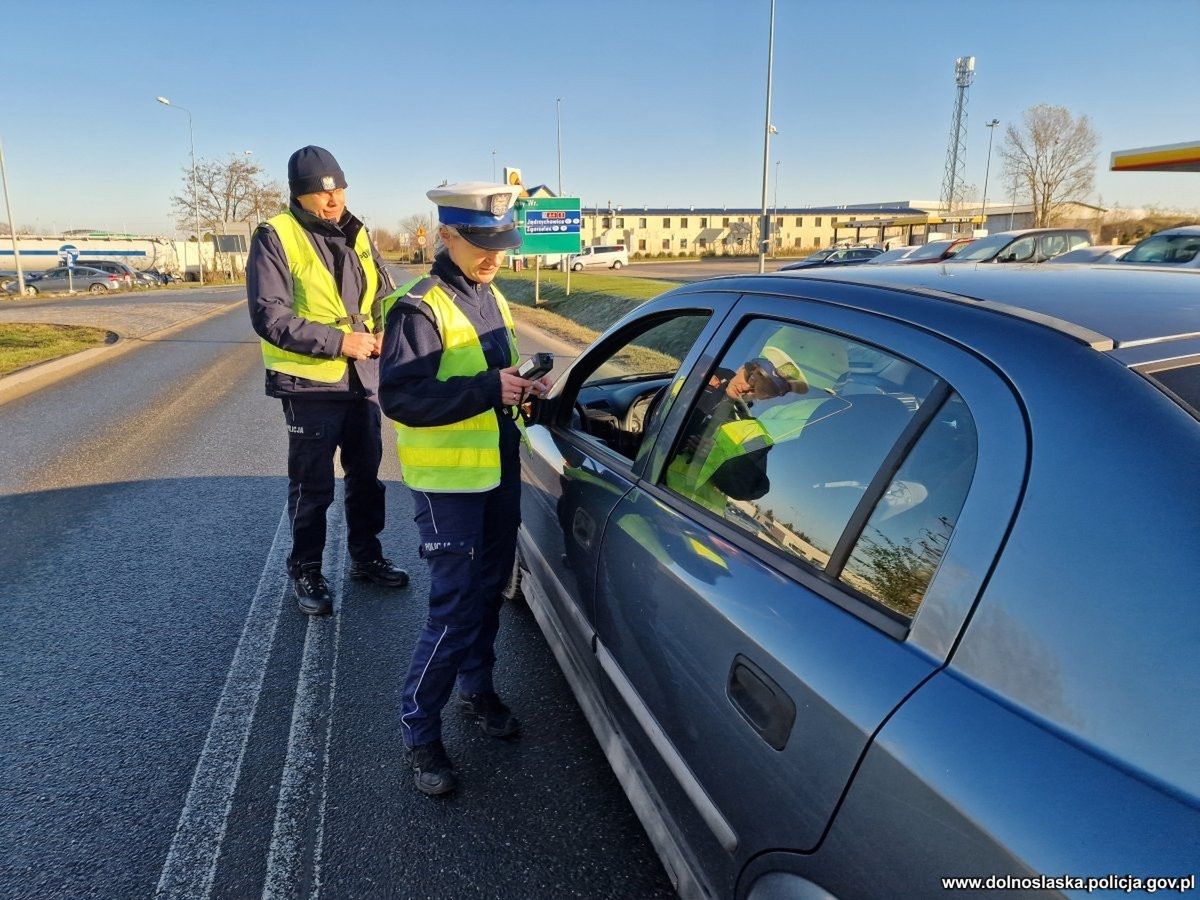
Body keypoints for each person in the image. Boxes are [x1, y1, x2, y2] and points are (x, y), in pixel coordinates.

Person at [377, 182, 550, 796]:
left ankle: (477, 691)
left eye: (501, 243)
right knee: (451, 610)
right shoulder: (418, 308)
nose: (494, 255)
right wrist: (486, 390)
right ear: (445, 235)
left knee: (487, 595)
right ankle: (420, 730)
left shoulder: (491, 296)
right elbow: (398, 398)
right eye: (481, 243)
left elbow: (493, 378)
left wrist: (522, 387)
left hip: (497, 472)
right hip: (448, 486)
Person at [247, 145, 409, 617]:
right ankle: (306, 569)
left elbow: (383, 292)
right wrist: (342, 343)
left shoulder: (358, 233)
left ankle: (366, 556)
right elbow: (269, 315)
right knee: (313, 486)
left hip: (363, 380)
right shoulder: (275, 235)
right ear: (298, 196)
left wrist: (389, 326)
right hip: (310, 385)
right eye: (321, 192)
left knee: (367, 476)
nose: (333, 198)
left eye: (338, 187)